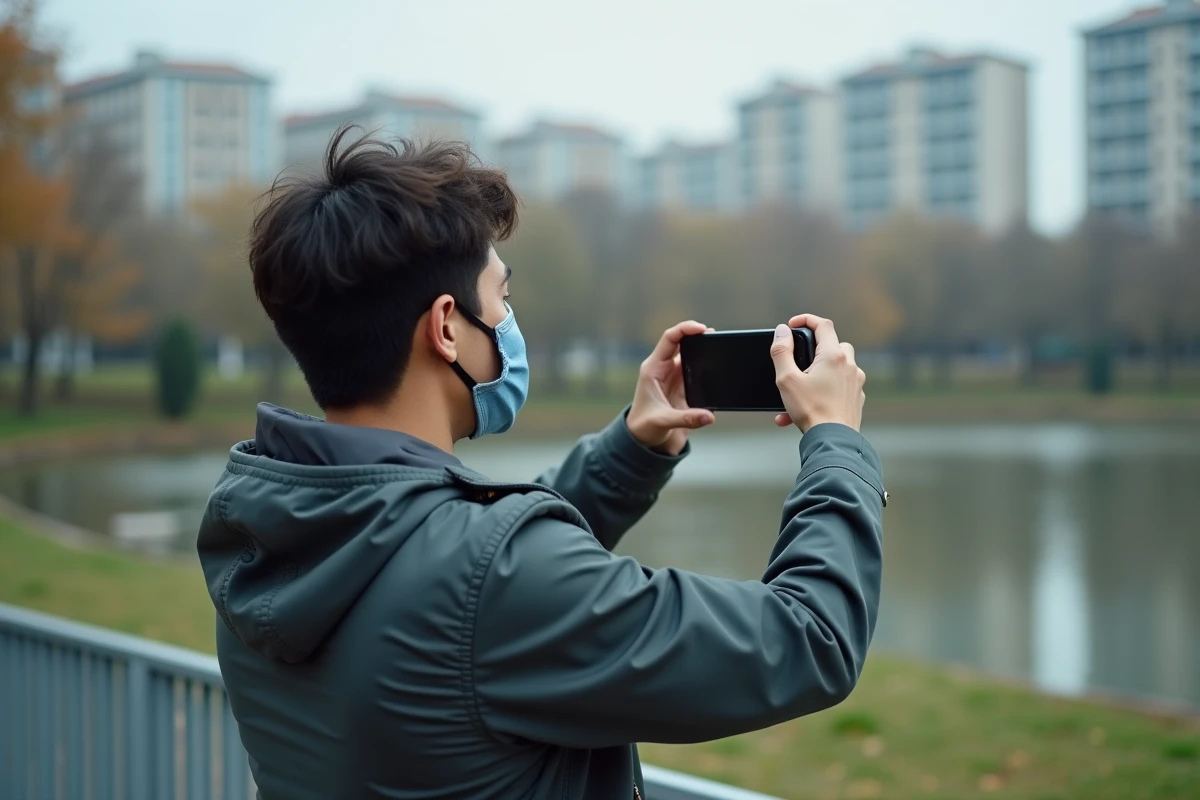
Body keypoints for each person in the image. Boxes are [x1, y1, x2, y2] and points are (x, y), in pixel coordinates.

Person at [196, 126, 886, 800]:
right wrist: (834, 441)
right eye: (503, 297)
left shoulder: (268, 530)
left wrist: (634, 446)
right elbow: (807, 640)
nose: (509, 319)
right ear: (446, 326)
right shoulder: (491, 581)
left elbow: (456, 566)